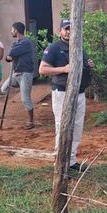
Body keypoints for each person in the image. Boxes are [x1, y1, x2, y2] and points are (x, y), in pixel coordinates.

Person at [39, 19, 94, 171]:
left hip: (79, 92)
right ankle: (60, 163)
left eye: (72, 28)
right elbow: (42, 70)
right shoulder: (54, 48)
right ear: (60, 31)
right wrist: (63, 69)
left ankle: (71, 160)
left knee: (77, 126)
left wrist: (89, 65)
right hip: (62, 93)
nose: (69, 31)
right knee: (62, 126)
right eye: (66, 28)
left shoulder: (78, 47)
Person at [2, 22, 36, 129]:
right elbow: (8, 57)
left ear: (16, 31)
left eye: (12, 30)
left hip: (25, 74)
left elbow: (11, 53)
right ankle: (21, 88)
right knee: (3, 89)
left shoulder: (26, 43)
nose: (11, 32)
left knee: (25, 99)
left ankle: (31, 122)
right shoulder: (16, 43)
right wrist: (10, 55)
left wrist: (11, 55)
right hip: (15, 74)